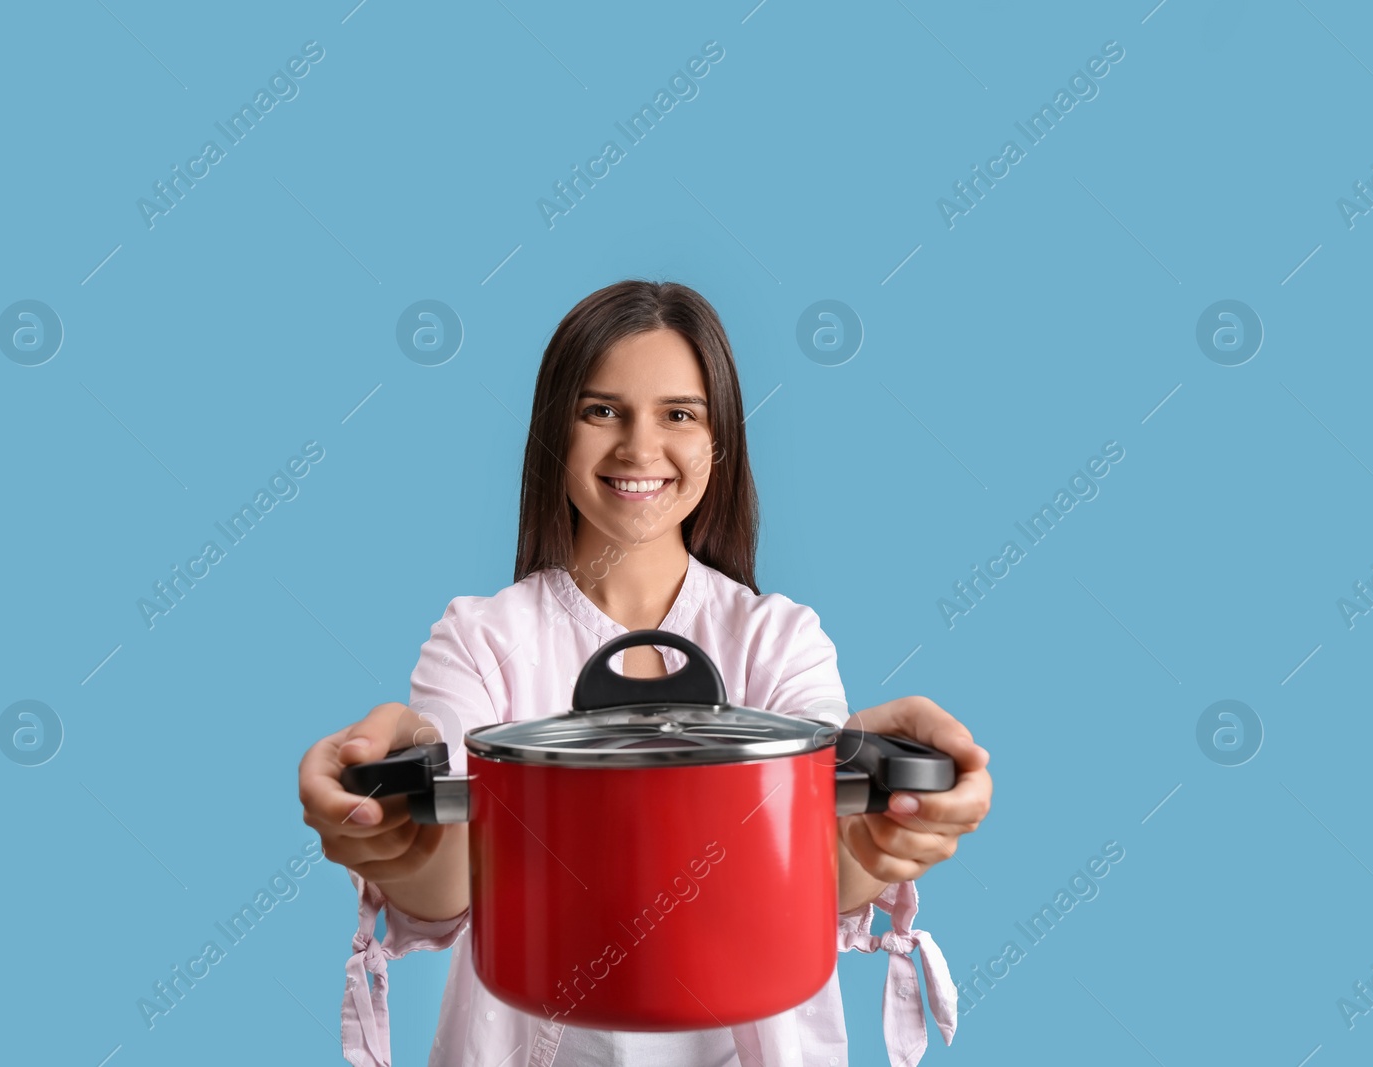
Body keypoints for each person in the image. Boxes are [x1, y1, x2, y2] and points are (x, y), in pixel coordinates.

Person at [297, 280, 993, 1066]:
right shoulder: (482, 637)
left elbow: (822, 862)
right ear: (554, 435)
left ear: (719, 443)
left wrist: (880, 836)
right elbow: (452, 879)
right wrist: (401, 840)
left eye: (679, 414)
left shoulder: (779, 640)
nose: (638, 447)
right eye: (601, 411)